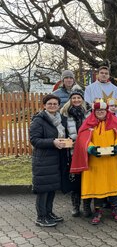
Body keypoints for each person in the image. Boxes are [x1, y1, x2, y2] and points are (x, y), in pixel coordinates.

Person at [70, 99, 117, 225]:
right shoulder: (88, 124)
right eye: (98, 111)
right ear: (94, 112)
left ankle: (115, 210)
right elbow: (82, 139)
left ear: (106, 111)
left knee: (113, 186)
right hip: (95, 162)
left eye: (102, 110)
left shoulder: (115, 123)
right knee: (97, 187)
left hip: (112, 161)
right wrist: (90, 148)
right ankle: (98, 212)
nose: (100, 112)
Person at [30, 94, 68, 227]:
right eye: (50, 104)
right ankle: (41, 217)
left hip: (57, 159)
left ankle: (49, 213)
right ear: (44, 105)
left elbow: (63, 135)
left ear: (58, 106)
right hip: (43, 160)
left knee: (52, 188)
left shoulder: (61, 119)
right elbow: (34, 140)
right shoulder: (39, 120)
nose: (53, 106)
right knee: (43, 190)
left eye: (55, 104)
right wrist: (52, 142)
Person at [60, 87, 92, 217]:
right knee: (75, 179)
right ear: (70, 100)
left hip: (87, 150)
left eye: (79, 97)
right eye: (74, 98)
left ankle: (86, 206)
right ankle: (75, 206)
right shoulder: (65, 114)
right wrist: (68, 141)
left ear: (82, 99)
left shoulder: (89, 113)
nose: (76, 100)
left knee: (87, 178)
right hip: (72, 151)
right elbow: (62, 131)